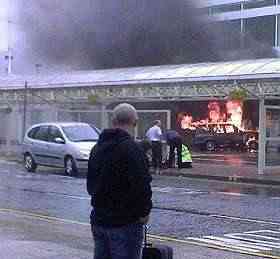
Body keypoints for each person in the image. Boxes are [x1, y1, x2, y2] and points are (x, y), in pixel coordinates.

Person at [87, 103, 152, 259]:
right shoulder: (133, 149)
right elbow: (142, 186)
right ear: (135, 123)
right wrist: (144, 212)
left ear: (113, 121)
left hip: (99, 221)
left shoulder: (97, 148)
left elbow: (90, 186)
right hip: (125, 224)